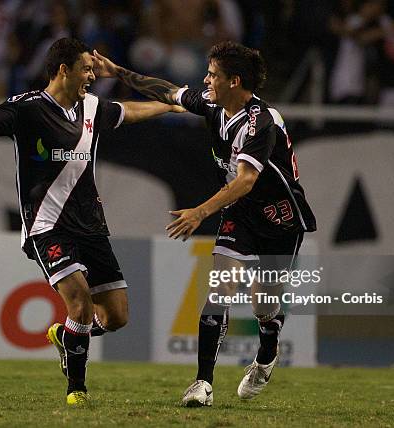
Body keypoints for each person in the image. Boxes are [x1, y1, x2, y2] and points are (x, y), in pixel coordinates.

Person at [0, 37, 183, 406]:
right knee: (79, 302)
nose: (92, 76)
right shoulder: (27, 108)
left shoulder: (92, 107)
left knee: (116, 318)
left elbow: (129, 111)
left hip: (91, 225)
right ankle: (77, 390)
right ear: (64, 70)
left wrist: (169, 106)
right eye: (86, 69)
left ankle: (67, 337)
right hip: (47, 226)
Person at [93, 41, 316, 406]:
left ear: (235, 81)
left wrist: (199, 212)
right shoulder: (213, 103)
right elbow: (166, 90)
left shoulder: (262, 122)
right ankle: (202, 383)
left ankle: (266, 354)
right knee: (219, 293)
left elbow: (245, 180)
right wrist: (117, 70)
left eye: (212, 75)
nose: (205, 80)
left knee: (263, 305)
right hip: (240, 214)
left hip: (280, 219)